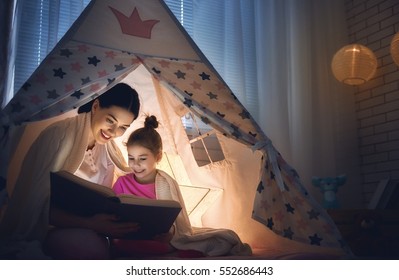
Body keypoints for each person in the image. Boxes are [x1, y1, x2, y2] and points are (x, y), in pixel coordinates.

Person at [0, 83, 141, 259]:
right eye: (110, 120)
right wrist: (90, 224)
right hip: (50, 227)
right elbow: (37, 208)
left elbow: (105, 200)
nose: (113, 132)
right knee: (91, 249)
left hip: (89, 228)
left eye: (122, 127)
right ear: (96, 106)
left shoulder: (108, 151)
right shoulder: (59, 137)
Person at [111, 115, 252, 258]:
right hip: (128, 237)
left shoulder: (165, 183)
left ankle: (173, 250)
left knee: (217, 240)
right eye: (131, 158)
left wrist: (170, 234)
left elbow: (176, 221)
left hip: (157, 239)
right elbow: (112, 211)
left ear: (158, 157)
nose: (135, 164)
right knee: (121, 244)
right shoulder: (122, 183)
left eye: (142, 158)